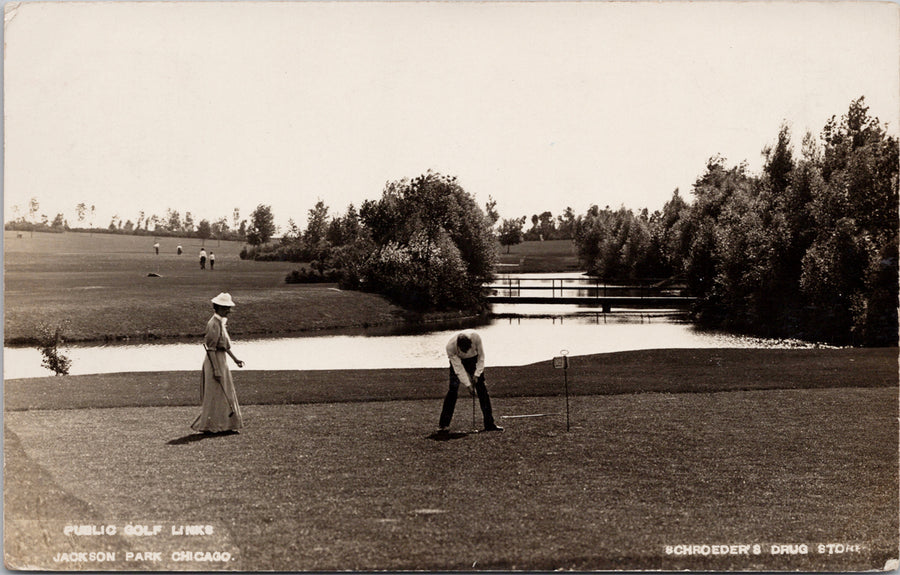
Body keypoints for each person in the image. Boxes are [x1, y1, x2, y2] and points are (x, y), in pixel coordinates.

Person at [191, 292, 245, 434]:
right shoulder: (213, 324)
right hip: (214, 361)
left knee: (225, 391)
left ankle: (225, 424)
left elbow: (224, 346)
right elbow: (211, 349)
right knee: (215, 392)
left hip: (222, 361)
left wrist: (235, 359)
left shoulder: (220, 323)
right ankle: (213, 425)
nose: (229, 311)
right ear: (220, 307)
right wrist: (216, 369)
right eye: (227, 308)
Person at [438, 329, 503, 433]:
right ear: (458, 346)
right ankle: (443, 425)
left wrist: (477, 374)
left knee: (482, 389)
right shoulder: (450, 346)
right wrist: (468, 385)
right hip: (458, 361)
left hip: (474, 360)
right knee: (453, 390)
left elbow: (481, 357)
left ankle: (489, 424)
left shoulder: (476, 337)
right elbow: (458, 369)